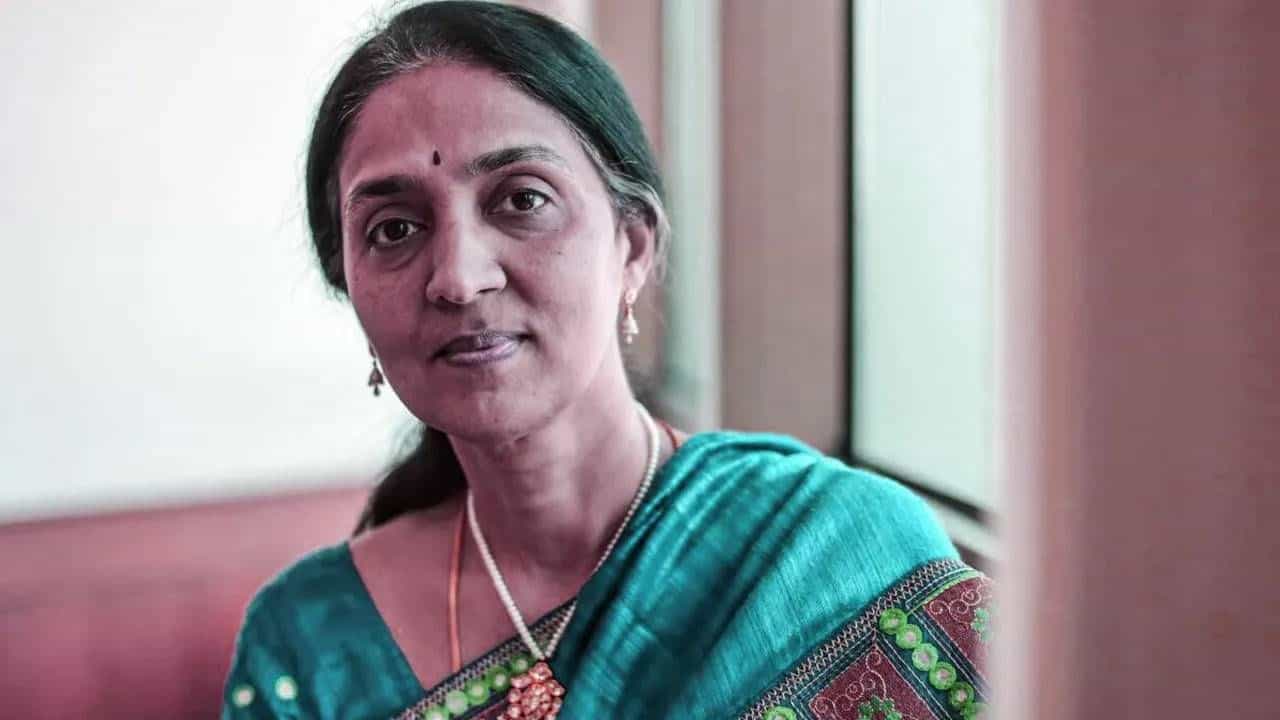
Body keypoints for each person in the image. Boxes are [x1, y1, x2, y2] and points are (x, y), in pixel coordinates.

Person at [222, 3, 990, 718]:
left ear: (632, 246)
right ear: (350, 288)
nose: (458, 277)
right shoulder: (308, 646)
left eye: (522, 199)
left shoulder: (832, 551)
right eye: (393, 229)